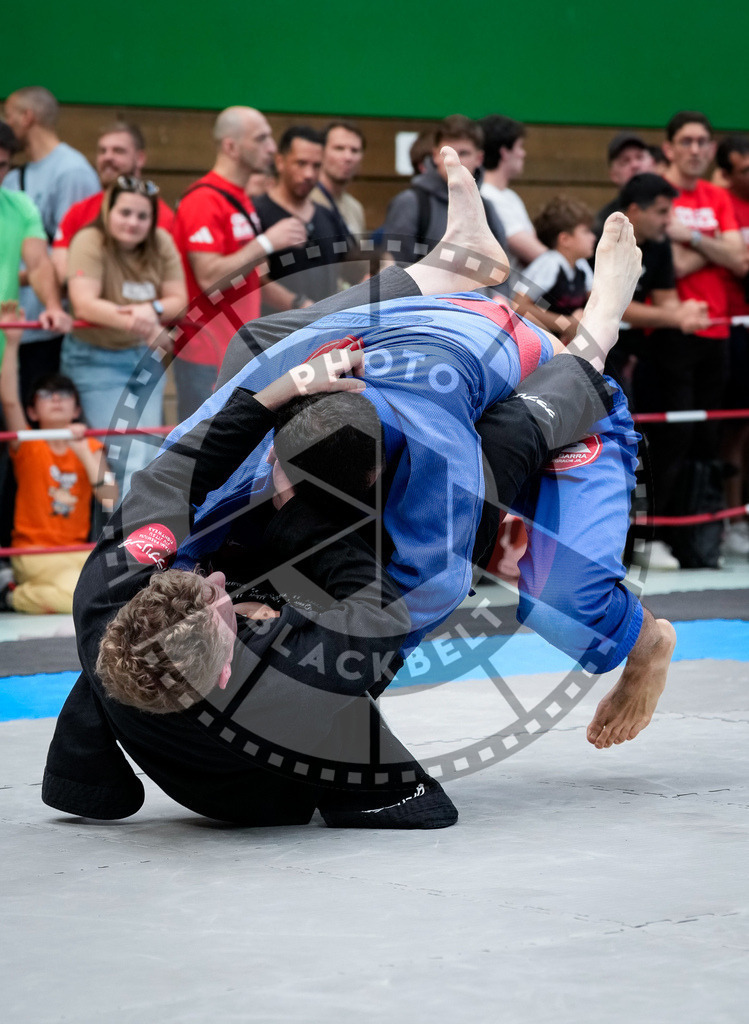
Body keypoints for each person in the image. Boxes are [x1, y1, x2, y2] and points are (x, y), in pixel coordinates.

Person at [42, 151, 672, 830]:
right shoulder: (301, 674)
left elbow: (184, 460)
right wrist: (595, 331)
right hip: (265, 780)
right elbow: (409, 595)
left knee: (256, 351)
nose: (218, 584)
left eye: (204, 586)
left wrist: (287, 386)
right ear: (230, 664)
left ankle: (449, 264)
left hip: (463, 400)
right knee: (552, 594)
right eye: (224, 607)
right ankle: (600, 339)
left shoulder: (109, 592)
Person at [170, 106, 308, 420]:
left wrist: (295, 302)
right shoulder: (203, 201)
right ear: (231, 146)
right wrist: (268, 242)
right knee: (200, 455)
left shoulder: (240, 198)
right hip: (205, 355)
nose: (272, 147)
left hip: (236, 352)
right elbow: (209, 277)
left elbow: (249, 273)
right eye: (261, 139)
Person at [660, 111, 749, 567]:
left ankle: (697, 536)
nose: (695, 149)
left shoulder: (717, 195)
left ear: (712, 150)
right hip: (672, 329)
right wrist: (715, 250)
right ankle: (654, 533)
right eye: (686, 141)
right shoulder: (656, 189)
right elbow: (664, 265)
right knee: (670, 437)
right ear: (670, 147)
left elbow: (742, 260)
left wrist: (692, 236)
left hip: (717, 331)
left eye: (703, 142)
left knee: (707, 437)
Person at [62, 176, 187, 496]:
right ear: (108, 211)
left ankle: (134, 540)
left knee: (146, 457)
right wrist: (145, 324)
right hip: (94, 360)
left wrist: (151, 308)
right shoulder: (89, 240)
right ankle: (125, 543)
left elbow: (179, 299)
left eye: (142, 216)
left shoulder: (161, 242)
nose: (132, 222)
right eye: (125, 213)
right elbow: (84, 305)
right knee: (126, 459)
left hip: (143, 360)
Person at [0, 303, 117, 613]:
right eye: (46, 395)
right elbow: (9, 399)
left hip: (78, 551)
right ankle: (13, 596)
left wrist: (82, 450)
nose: (55, 399)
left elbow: (110, 498)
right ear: (32, 411)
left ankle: (21, 592)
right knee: (78, 598)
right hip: (33, 552)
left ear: (77, 409)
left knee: (114, 588)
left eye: (64, 394)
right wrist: (11, 343)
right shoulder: (27, 443)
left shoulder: (88, 445)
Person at [2, 87, 99, 382]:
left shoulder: (70, 172)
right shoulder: (20, 175)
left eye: (8, 115)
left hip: (30, 326)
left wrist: (54, 306)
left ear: (27, 117)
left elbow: (50, 259)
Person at [380, 115, 509, 284]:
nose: (455, 161)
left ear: (479, 159)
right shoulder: (410, 203)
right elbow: (394, 275)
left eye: (464, 153)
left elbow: (501, 274)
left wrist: (498, 300)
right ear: (435, 156)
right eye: (448, 152)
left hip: (478, 308)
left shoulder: (487, 208)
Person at [51, 121, 175, 283]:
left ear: (140, 158)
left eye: (118, 151)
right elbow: (62, 273)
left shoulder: (160, 215)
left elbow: (159, 277)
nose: (108, 157)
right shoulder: (78, 211)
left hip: (142, 305)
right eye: (102, 151)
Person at [254, 126, 346, 309]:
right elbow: (254, 280)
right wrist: (300, 306)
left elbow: (351, 261)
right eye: (301, 163)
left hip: (325, 331)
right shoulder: (256, 213)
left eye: (316, 166)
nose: (309, 174)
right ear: (280, 162)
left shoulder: (327, 216)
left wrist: (380, 263)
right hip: (274, 333)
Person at [714, 134, 749, 556]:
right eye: (744, 171)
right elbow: (738, 262)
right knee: (730, 429)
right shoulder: (722, 204)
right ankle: (730, 519)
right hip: (727, 326)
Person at [513, 196, 596, 340]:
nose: (593, 237)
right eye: (586, 231)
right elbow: (518, 307)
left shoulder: (581, 266)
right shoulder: (549, 265)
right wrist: (565, 324)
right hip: (537, 345)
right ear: (565, 239)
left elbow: (597, 300)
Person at [479, 114, 546, 269]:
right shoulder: (488, 197)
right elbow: (534, 252)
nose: (523, 153)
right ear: (504, 152)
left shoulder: (510, 196)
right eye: (519, 146)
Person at [593, 131, 656, 236]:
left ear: (653, 163)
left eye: (640, 157)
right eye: (625, 161)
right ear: (613, 175)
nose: (635, 165)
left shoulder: (671, 210)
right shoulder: (605, 223)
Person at [311, 121, 367, 236]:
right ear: (321, 152)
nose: (348, 157)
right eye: (339, 148)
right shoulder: (306, 200)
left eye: (354, 150)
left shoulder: (355, 208)